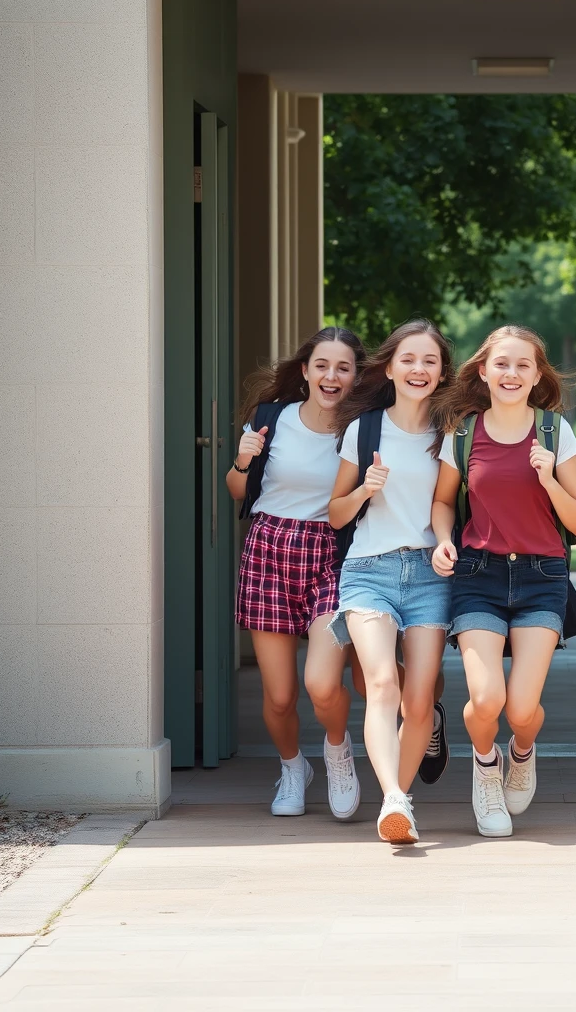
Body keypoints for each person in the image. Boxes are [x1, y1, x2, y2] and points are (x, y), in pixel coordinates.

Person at [430, 325, 576, 838]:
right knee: (486, 701)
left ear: (537, 374)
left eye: (523, 365)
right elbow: (441, 502)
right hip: (478, 573)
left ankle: (521, 751)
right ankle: (485, 768)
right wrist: (441, 538)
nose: (511, 373)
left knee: (522, 708)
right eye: (501, 363)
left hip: (541, 576)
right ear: (483, 371)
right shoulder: (462, 433)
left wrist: (547, 479)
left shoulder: (554, 432)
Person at [227, 326, 365, 819]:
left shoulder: (363, 429)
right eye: (322, 365)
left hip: (331, 553)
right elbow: (238, 490)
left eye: (343, 367)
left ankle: (337, 753)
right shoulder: (272, 419)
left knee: (322, 684)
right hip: (269, 549)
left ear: (355, 377)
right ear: (305, 371)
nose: (332, 375)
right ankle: (292, 768)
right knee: (280, 697)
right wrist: (242, 462)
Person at [328, 318, 454, 844]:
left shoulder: (451, 431)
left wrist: (446, 541)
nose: (418, 369)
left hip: (430, 574)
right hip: (369, 572)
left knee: (418, 700)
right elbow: (335, 514)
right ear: (390, 366)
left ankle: (396, 801)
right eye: (408, 359)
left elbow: (445, 502)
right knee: (382, 683)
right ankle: (395, 800)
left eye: (429, 360)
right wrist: (364, 490)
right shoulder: (365, 429)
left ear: (442, 370)